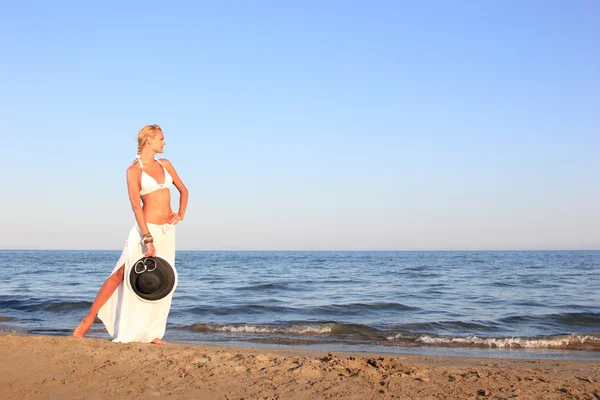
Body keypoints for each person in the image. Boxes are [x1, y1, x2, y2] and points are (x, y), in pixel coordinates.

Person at [73, 125, 189, 344]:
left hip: (166, 232)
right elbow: (136, 207)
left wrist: (180, 214)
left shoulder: (165, 164)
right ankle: (87, 321)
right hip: (146, 231)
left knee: (161, 281)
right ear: (148, 140)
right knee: (121, 273)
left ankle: (152, 332)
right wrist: (147, 238)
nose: (164, 143)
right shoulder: (134, 170)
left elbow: (184, 190)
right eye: (161, 139)